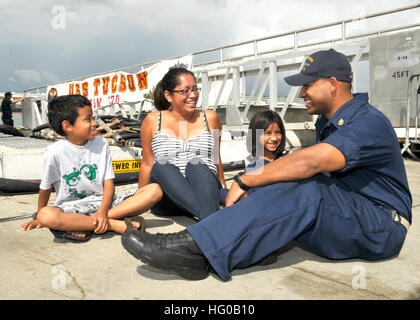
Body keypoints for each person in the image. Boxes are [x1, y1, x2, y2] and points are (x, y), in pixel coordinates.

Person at [121, 49, 412, 281]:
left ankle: (197, 246)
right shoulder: (328, 122)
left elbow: (313, 161)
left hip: (381, 225)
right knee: (274, 183)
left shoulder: (368, 121)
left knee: (303, 185)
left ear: (332, 84)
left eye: (307, 85)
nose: (301, 94)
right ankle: (215, 246)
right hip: (347, 211)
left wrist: (246, 179)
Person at [20, 94, 161, 241]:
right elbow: (45, 187)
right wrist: (39, 217)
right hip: (73, 209)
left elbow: (108, 183)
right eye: (88, 119)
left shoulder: (101, 144)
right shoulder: (54, 152)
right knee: (46, 215)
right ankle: (112, 225)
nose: (94, 123)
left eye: (93, 118)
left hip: (109, 206)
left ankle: (91, 223)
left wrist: (102, 212)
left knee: (154, 190)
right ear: (67, 126)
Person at [138, 67, 227, 221]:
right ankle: (214, 218)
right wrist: (139, 200)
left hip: (206, 189)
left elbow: (215, 158)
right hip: (168, 200)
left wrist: (224, 190)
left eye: (195, 89)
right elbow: (147, 163)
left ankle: (209, 218)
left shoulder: (211, 118)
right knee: (161, 166)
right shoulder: (152, 121)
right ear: (168, 95)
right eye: (185, 91)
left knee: (196, 164)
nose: (193, 95)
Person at [219, 110, 290, 206]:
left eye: (278, 133)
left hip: (273, 199)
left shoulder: (288, 157)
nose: (274, 138)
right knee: (220, 193)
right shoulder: (251, 160)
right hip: (253, 197)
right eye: (268, 133)